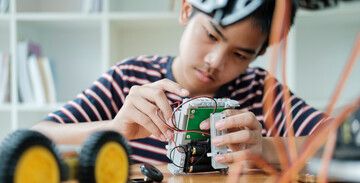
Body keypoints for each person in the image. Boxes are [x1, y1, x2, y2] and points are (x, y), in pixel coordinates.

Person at [32, 0, 326, 166]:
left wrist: (265, 148)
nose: (215, 61)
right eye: (211, 35)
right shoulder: (128, 79)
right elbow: (37, 135)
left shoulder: (260, 91)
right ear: (186, 10)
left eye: (239, 54)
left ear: (259, 54)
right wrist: (113, 130)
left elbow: (342, 145)